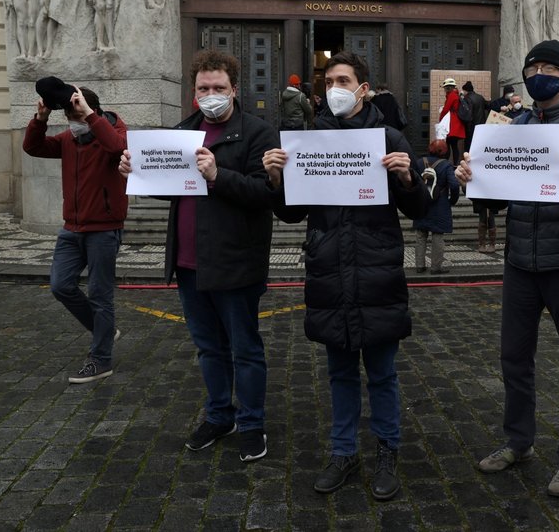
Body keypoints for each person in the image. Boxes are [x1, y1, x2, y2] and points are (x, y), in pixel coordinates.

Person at [263, 51, 430, 501]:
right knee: (339, 372)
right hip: (329, 270)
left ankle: (387, 451)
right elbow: (292, 212)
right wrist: (278, 180)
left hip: (377, 271)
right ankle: (342, 452)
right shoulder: (309, 138)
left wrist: (409, 179)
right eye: (329, 80)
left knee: (382, 372)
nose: (334, 87)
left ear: (363, 88)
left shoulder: (390, 136)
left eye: (343, 79)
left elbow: (419, 209)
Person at [455, 40, 559, 498]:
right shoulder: (509, 123)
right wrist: (472, 179)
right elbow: (492, 199)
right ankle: (518, 441)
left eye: (548, 67)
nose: (539, 73)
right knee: (514, 361)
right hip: (520, 262)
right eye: (533, 67)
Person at [118, 50, 278, 460]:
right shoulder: (183, 131)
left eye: (218, 88)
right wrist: (136, 173)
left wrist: (217, 175)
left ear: (234, 90)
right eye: (203, 88)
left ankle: (253, 422)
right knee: (208, 348)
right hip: (189, 262)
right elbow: (171, 187)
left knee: (245, 348)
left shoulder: (257, 132)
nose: (211, 95)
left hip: (235, 260)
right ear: (193, 93)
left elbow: (267, 194)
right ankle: (219, 414)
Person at [22, 77, 128, 384]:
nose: (73, 122)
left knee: (100, 294)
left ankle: (101, 359)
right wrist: (40, 119)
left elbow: (118, 147)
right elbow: (33, 147)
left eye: (76, 115)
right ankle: (104, 330)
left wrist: (90, 118)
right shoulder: (69, 140)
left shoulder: (113, 130)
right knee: (61, 285)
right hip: (71, 228)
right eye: (68, 117)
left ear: (93, 109)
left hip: (104, 229)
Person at [413, 139, 460, 274]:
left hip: (422, 204)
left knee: (421, 235)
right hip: (440, 205)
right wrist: (452, 200)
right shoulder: (446, 165)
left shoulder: (419, 162)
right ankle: (436, 267)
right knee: (437, 236)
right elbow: (454, 185)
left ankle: (419, 265)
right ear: (445, 151)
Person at [438, 77, 466, 166]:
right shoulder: (456, 95)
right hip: (456, 124)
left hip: (452, 124)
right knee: (453, 145)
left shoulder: (452, 95)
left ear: (449, 87)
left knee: (448, 144)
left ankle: (446, 163)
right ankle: (455, 164)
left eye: (445, 88)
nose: (445, 90)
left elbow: (446, 109)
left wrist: (441, 119)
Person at [461, 81, 487, 151]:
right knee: (479, 145)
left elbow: (467, 114)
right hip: (481, 125)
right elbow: (487, 106)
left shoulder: (467, 99)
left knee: (469, 146)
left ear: (465, 90)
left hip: (471, 126)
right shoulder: (480, 97)